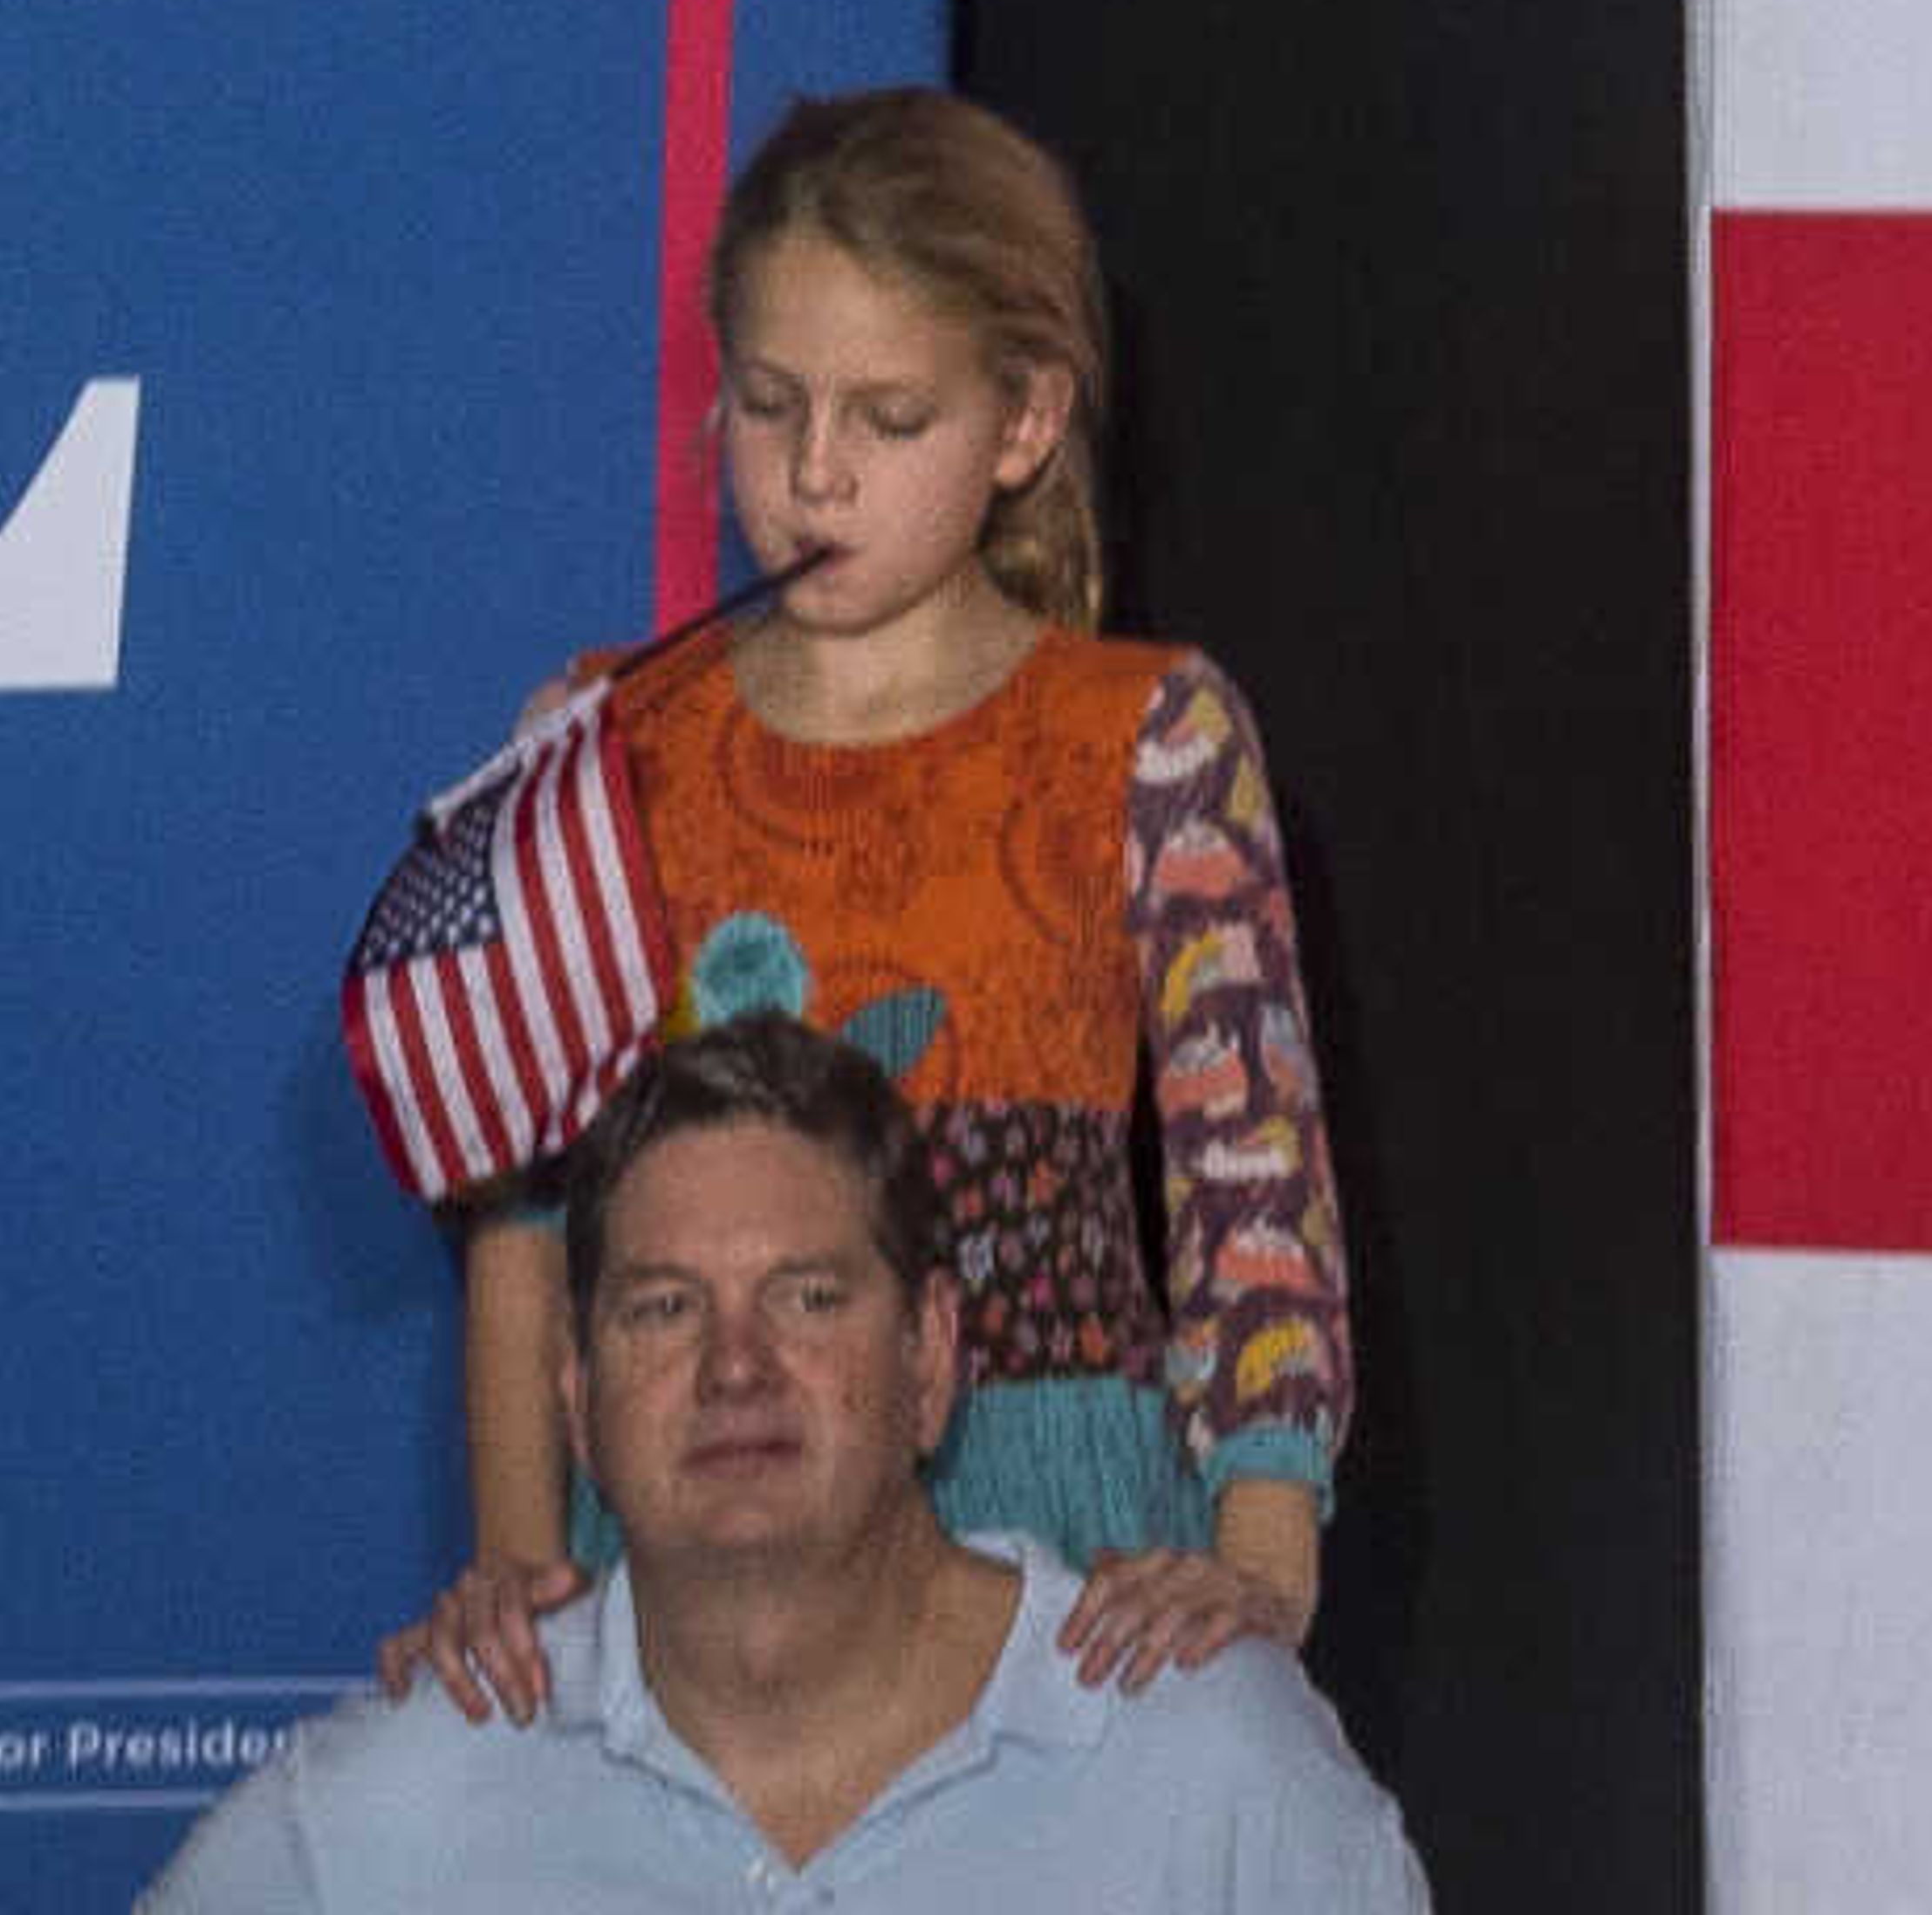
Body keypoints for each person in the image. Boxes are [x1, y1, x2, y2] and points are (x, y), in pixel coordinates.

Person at [389, 86, 1351, 1722]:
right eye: (771, 407)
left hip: (1065, 1552)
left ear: (1025, 422)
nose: (815, 475)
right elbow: (527, 1211)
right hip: (705, 1542)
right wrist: (523, 1568)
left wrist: (1259, 1568)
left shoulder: (1149, 734)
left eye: (889, 420)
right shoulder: (609, 742)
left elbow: (1250, 1189)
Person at [148, 1020, 1422, 1909]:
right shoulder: (408, 1804)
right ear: (578, 1403)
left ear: (931, 1358)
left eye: (809, 1299)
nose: (735, 1366)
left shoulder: (1205, 1771)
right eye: (662, 1308)